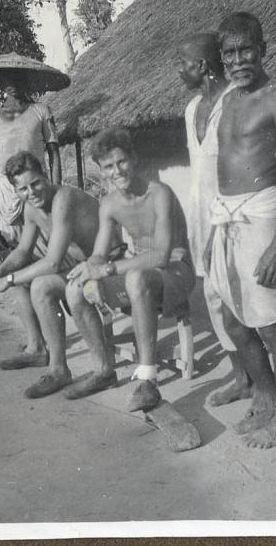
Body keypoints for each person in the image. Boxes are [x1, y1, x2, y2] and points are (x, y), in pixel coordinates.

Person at [206, 12, 276, 448]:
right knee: (234, 319)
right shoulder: (227, 99)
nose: (238, 60)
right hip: (226, 219)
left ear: (263, 49)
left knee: (273, 324)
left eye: (246, 49)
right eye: (229, 52)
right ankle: (266, 400)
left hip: (263, 216)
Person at [65, 128, 196, 412]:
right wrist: (92, 270)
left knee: (135, 278)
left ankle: (148, 380)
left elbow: (161, 255)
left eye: (121, 162)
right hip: (142, 273)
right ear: (100, 170)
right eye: (108, 167)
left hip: (175, 272)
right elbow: (99, 253)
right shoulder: (109, 204)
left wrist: (107, 270)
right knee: (75, 288)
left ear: (133, 159)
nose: (117, 171)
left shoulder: (159, 193)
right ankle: (103, 370)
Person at [0, 151, 102, 399]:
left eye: (35, 183)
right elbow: (24, 250)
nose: (32, 192)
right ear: (16, 191)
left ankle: (58, 369)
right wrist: (0, 272)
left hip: (103, 264)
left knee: (40, 285)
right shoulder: (31, 209)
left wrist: (10, 279)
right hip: (78, 265)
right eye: (23, 189)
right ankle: (37, 349)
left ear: (45, 175)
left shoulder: (63, 198)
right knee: (21, 280)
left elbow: (54, 262)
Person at [178, 32, 255, 408]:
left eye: (184, 64)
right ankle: (242, 378)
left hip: (234, 211)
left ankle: (261, 378)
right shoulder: (192, 110)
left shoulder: (234, 102)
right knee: (213, 294)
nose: (179, 72)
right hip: (201, 215)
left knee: (242, 293)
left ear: (203, 66)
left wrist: (222, 221)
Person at [0, 85, 60, 250]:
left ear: (26, 79)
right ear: (2, 82)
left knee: (46, 243)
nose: (14, 83)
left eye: (19, 79)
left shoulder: (41, 111)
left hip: (36, 187)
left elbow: (54, 153)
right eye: (9, 78)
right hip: (5, 194)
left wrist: (56, 193)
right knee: (12, 244)